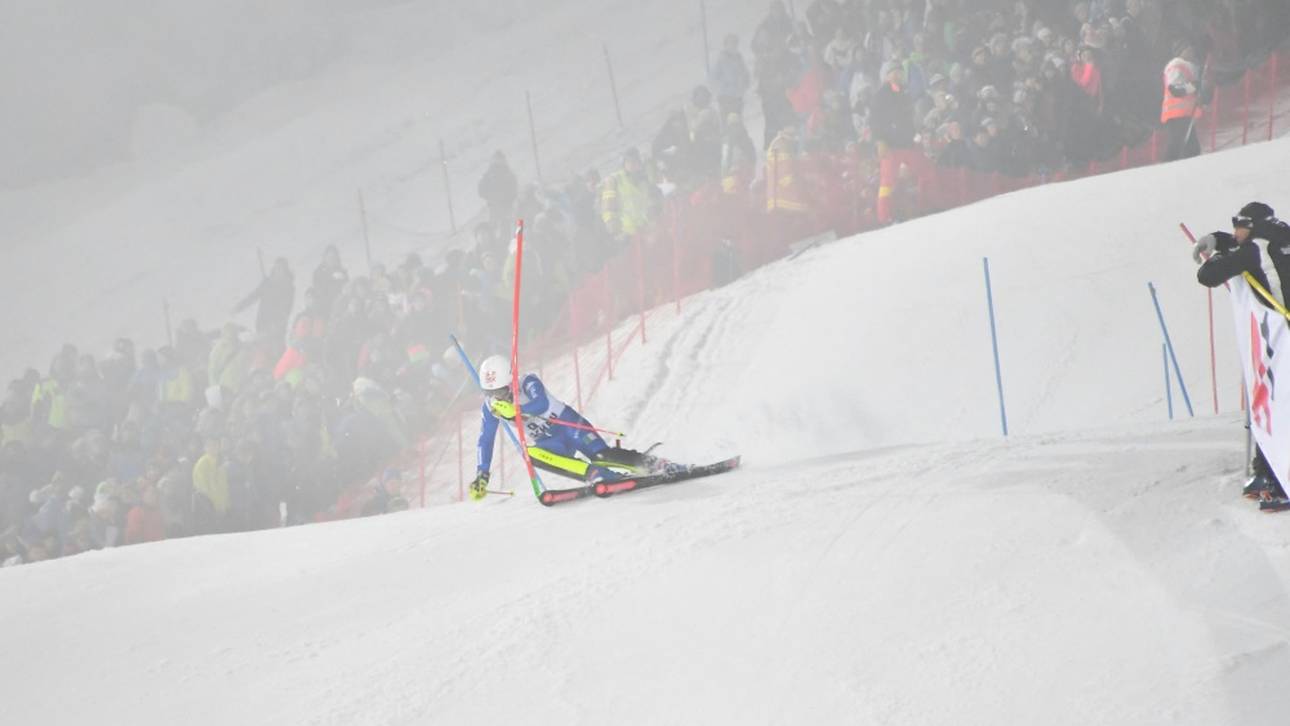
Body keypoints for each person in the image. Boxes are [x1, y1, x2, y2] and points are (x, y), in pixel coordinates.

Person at [1194, 202, 1290, 502]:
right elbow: (1242, 244)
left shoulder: (1252, 250)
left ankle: (1278, 477)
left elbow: (1208, 275)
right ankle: (1265, 469)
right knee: (1273, 403)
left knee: (1276, 403)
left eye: (1239, 226)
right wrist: (1220, 238)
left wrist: (1220, 252)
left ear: (1252, 226)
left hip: (1280, 338)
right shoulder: (1280, 237)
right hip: (1280, 333)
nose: (1236, 231)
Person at [469, 355, 651, 500]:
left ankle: (653, 464)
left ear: (510, 382)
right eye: (490, 393)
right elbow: (485, 439)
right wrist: (482, 474)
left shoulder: (528, 382)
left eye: (500, 391)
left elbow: (541, 404)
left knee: (602, 456)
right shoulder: (490, 406)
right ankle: (595, 474)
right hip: (550, 442)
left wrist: (516, 410)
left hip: (570, 426)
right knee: (529, 454)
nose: (497, 398)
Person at [1161, 38, 1203, 161]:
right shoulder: (1176, 65)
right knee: (1177, 146)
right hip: (1177, 113)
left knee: (1192, 148)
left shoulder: (1190, 66)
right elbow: (1175, 89)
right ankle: (1166, 168)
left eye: (1191, 48)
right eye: (1187, 49)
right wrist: (1193, 87)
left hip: (1186, 113)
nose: (1191, 51)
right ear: (1180, 51)